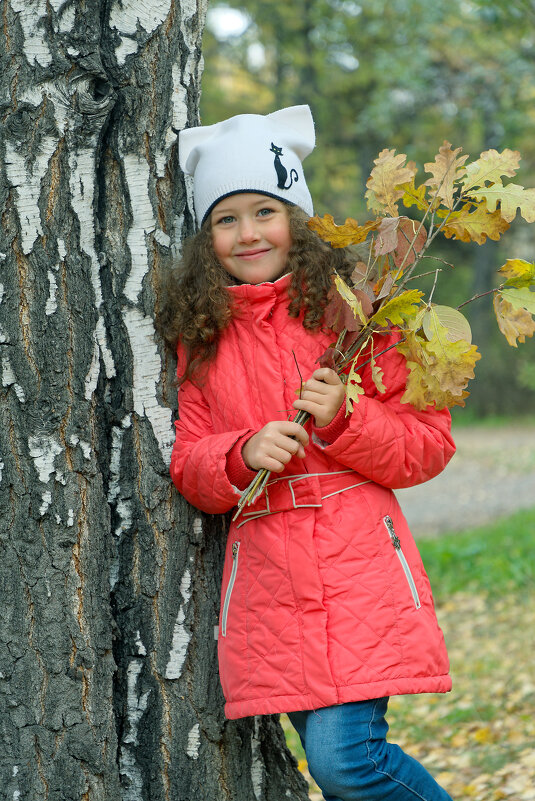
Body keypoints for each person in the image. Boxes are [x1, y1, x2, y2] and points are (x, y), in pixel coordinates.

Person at [159, 105, 456, 801]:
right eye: (225, 219)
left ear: (297, 216)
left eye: (265, 210)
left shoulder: (357, 313)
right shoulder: (202, 335)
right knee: (333, 760)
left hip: (355, 566)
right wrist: (239, 453)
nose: (248, 232)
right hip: (266, 581)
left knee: (345, 761)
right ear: (206, 239)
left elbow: (426, 445)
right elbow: (189, 462)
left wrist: (345, 416)